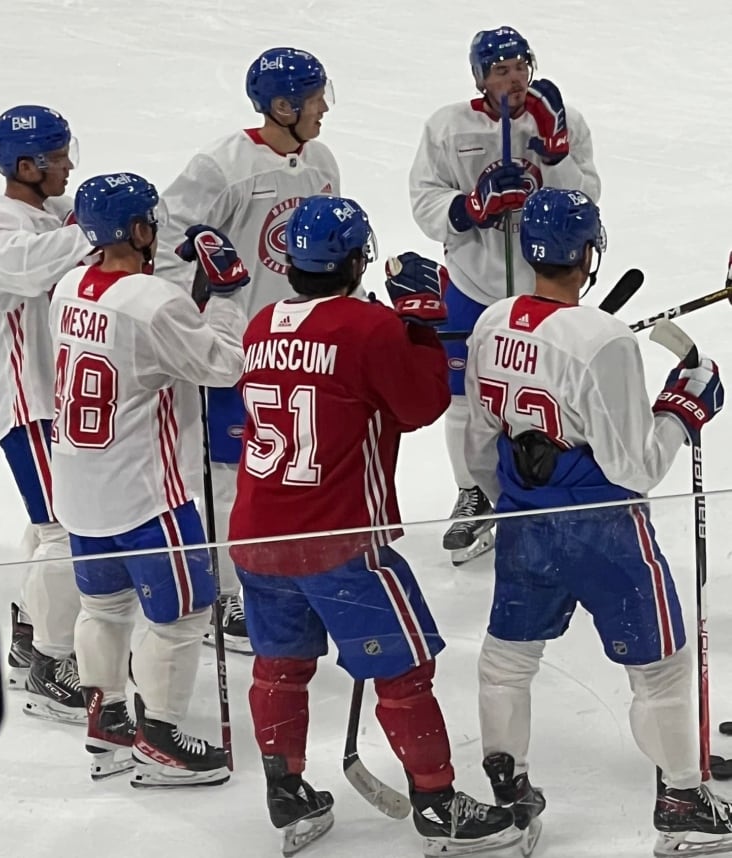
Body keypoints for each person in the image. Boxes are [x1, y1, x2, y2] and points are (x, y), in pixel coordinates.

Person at [228, 195, 519, 856]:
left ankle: (285, 789)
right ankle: (436, 802)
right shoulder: (369, 328)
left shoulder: (262, 323)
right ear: (358, 258)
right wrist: (420, 321)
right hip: (338, 540)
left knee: (279, 666)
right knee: (406, 670)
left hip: (255, 534)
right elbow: (420, 403)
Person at [464, 186, 732, 856]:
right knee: (662, 668)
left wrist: (520, 494)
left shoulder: (491, 320)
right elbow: (635, 467)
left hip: (525, 521)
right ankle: (682, 800)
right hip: (603, 528)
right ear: (588, 254)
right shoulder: (605, 339)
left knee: (505, 663)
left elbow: (479, 441)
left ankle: (510, 793)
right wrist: (683, 408)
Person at [49, 172, 248, 787]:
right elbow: (221, 365)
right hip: (146, 494)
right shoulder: (151, 302)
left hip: (80, 489)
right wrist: (229, 294)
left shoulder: (66, 287)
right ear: (138, 229)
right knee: (185, 614)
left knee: (103, 608)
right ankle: (161, 735)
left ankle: (105, 717)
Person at [155, 46, 340, 652]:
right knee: (225, 477)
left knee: (286, 466)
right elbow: (162, 247)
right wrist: (205, 310)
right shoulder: (222, 166)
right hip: (237, 351)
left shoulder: (321, 160)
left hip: (298, 347)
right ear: (283, 106)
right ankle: (221, 595)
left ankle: (268, 577)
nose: (323, 109)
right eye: (314, 98)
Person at [409, 26, 601, 565]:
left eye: (521, 66)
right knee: (465, 401)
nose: (514, 79)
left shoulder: (562, 120)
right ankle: (473, 492)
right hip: (473, 287)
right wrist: (471, 207)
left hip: (548, 288)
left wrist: (556, 151)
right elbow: (425, 202)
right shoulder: (449, 126)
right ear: (479, 77)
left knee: (551, 393)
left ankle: (557, 489)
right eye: (500, 69)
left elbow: (588, 198)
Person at [0, 105, 94, 722]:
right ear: (27, 166)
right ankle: (48, 662)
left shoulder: (47, 213)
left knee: (51, 526)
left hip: (57, 399)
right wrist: (97, 225)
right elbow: (32, 264)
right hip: (29, 404)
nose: (70, 163)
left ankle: (28, 628)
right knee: (61, 532)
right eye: (59, 155)